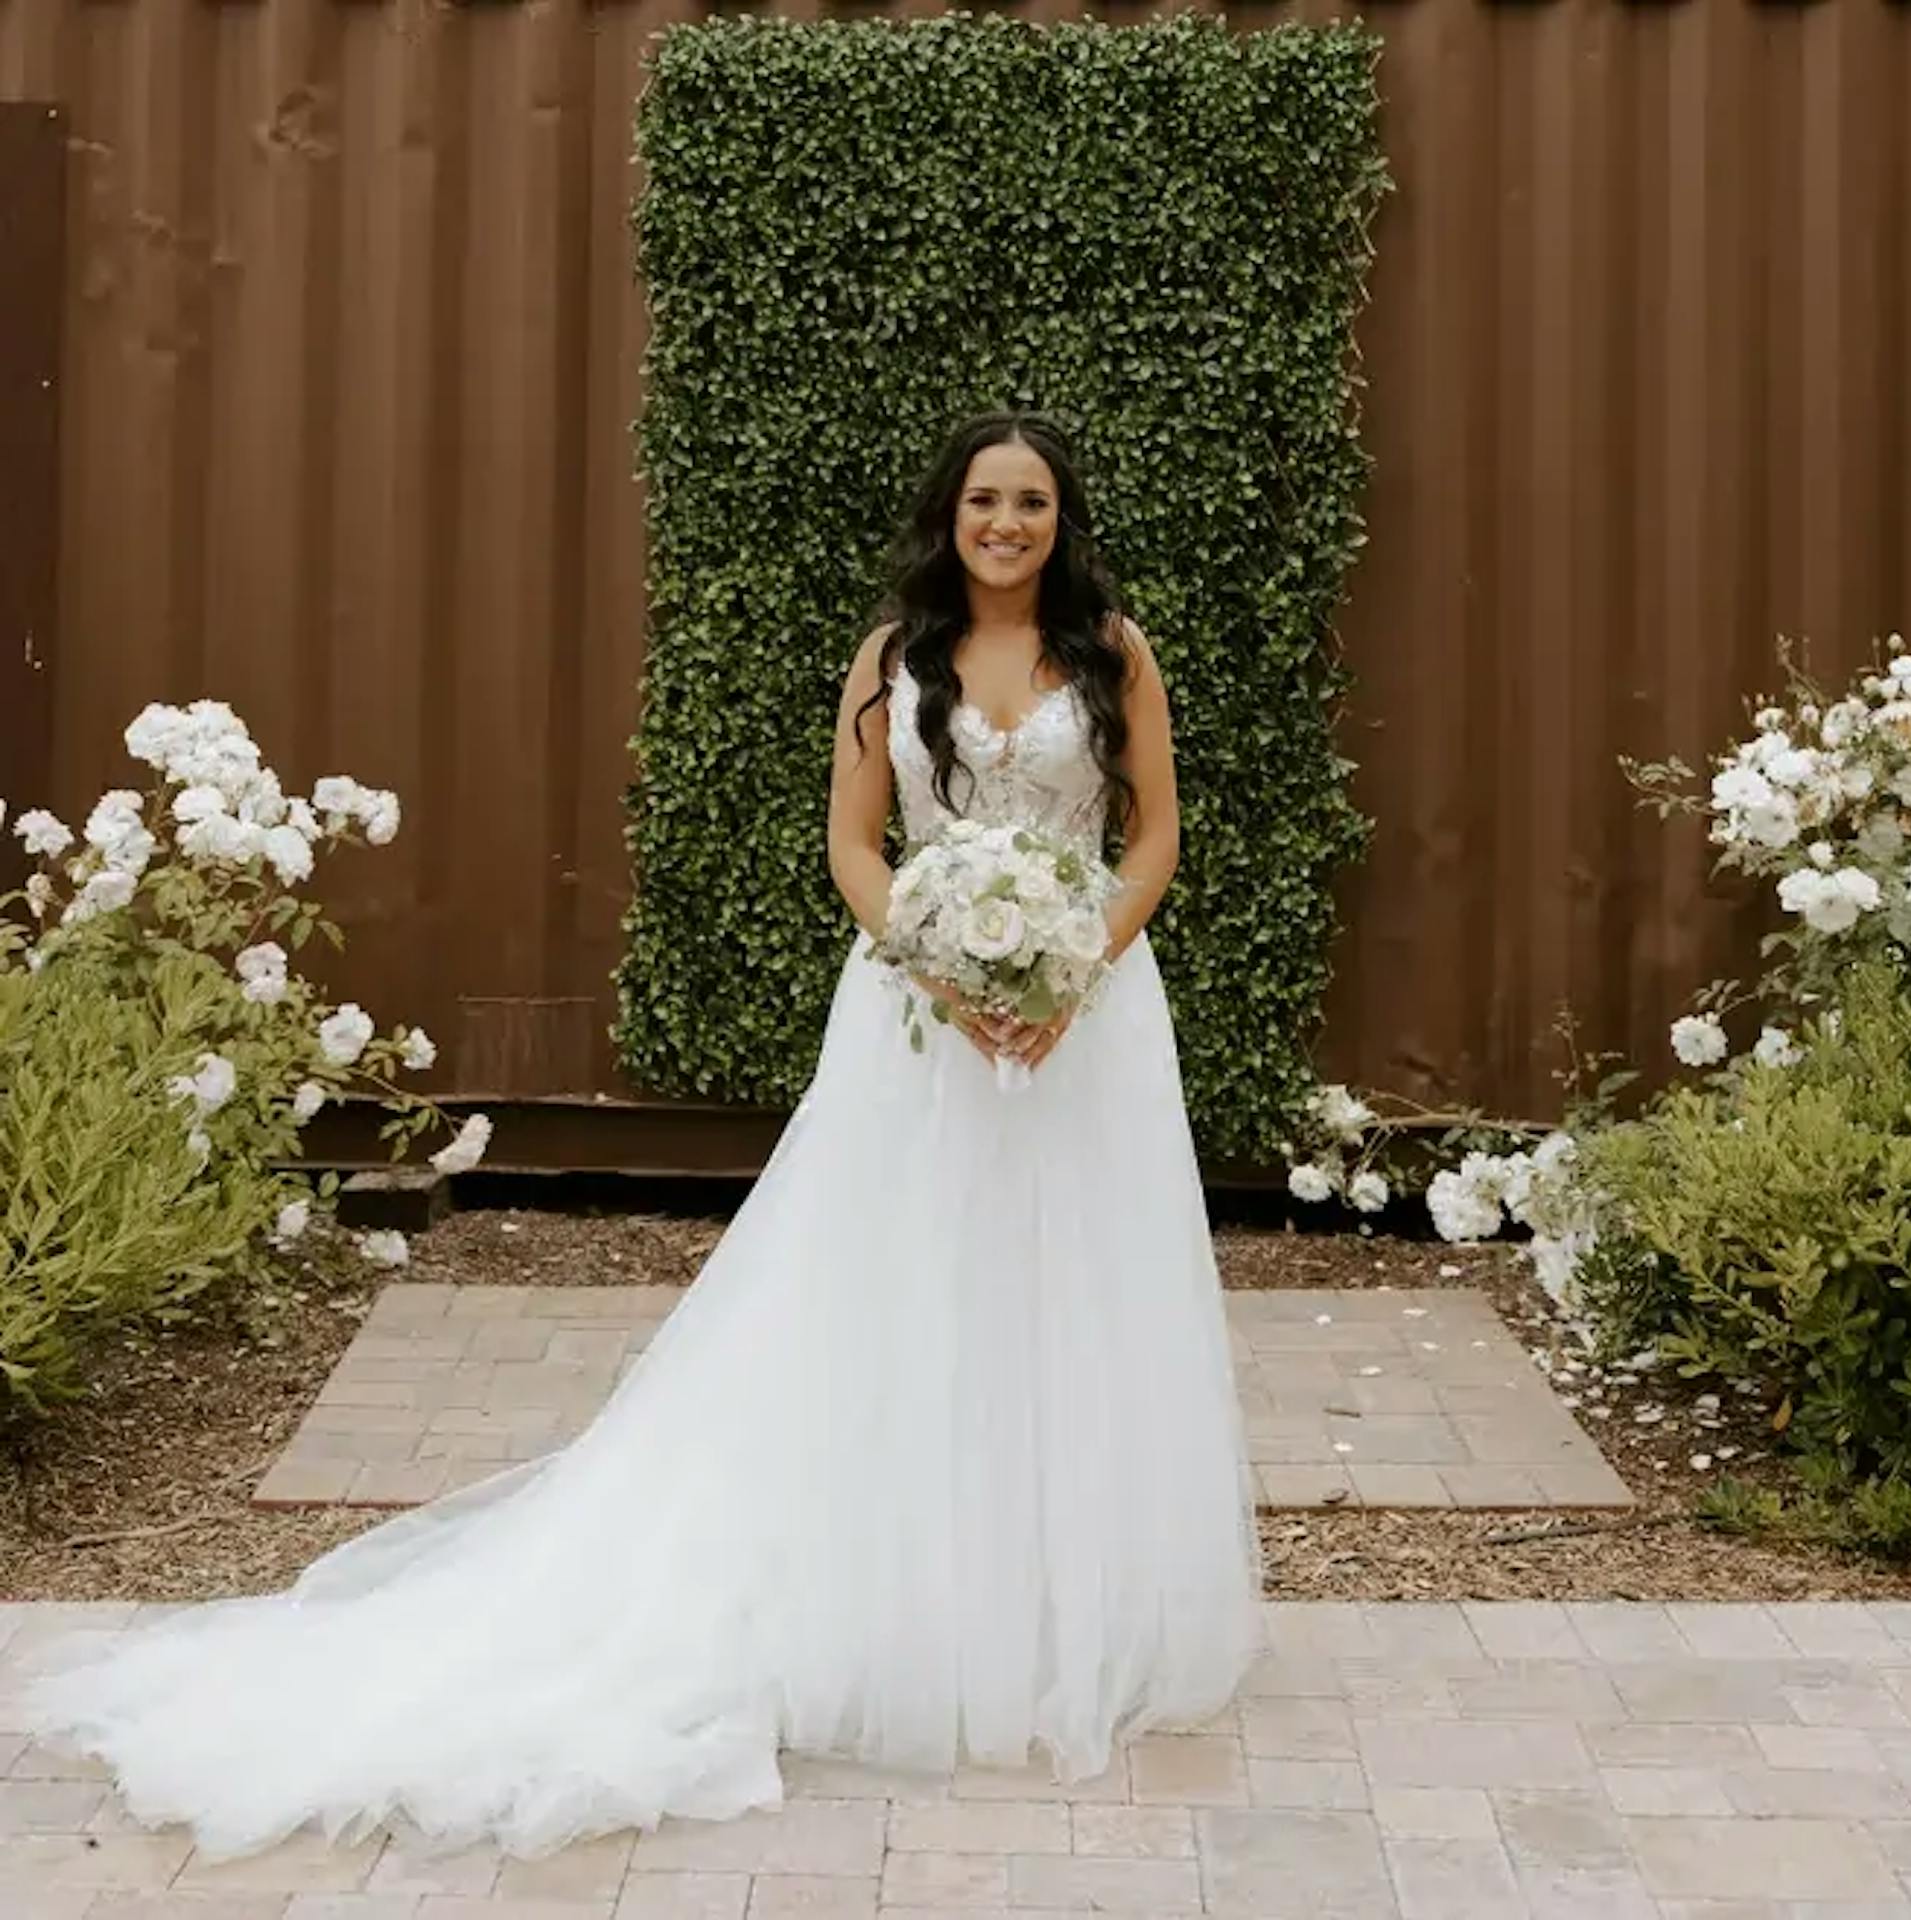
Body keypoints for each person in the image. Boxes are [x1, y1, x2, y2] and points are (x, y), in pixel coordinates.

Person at [17, 409, 1264, 1863]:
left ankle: (1057, 1612)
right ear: (953, 512)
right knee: (896, 1296)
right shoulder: (892, 657)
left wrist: (1072, 970)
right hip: (914, 1033)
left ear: (1064, 519)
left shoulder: (1113, 651)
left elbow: (1153, 834)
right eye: (985, 499)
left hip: (1086, 1032)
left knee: (1072, 1300)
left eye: (1032, 502)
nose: (1006, 522)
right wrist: (933, 956)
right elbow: (856, 842)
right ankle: (894, 1607)